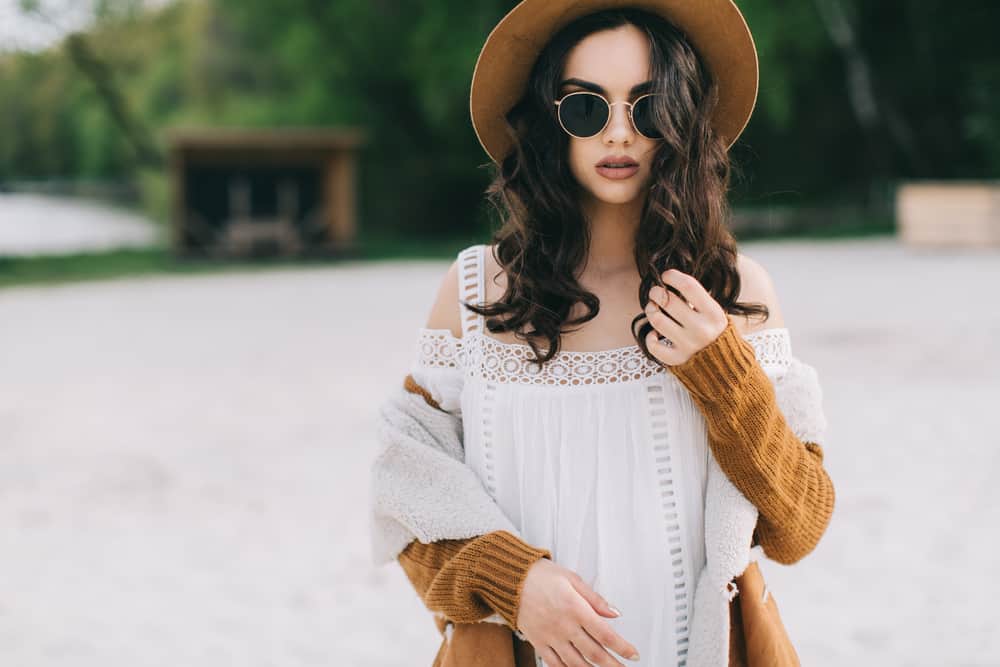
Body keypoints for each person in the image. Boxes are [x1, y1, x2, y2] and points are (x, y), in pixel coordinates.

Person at [376, 2, 835, 666]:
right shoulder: (476, 291)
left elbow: (799, 526)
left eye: (647, 108)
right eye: (587, 108)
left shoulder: (735, 295)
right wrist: (515, 583)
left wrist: (724, 374)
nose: (619, 132)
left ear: (679, 120)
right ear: (548, 121)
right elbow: (402, 503)